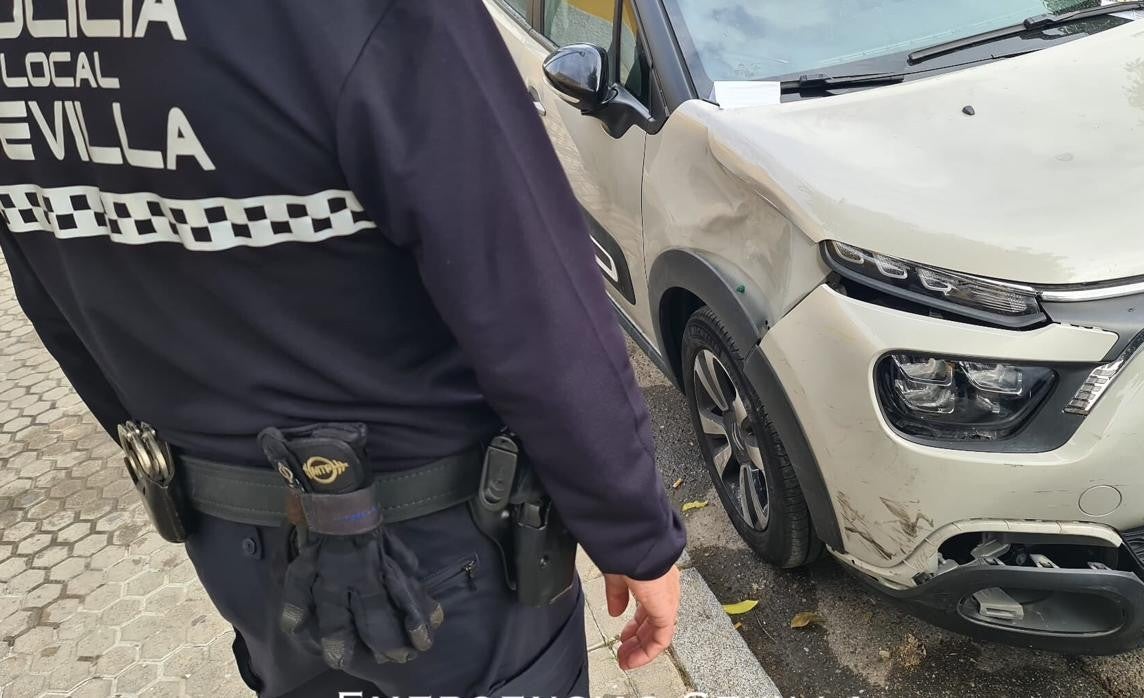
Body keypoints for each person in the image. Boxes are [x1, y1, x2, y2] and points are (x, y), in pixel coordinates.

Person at [0, 1, 685, 696]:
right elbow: (531, 293)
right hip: (446, 557)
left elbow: (54, 304)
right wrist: (632, 529)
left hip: (233, 542)